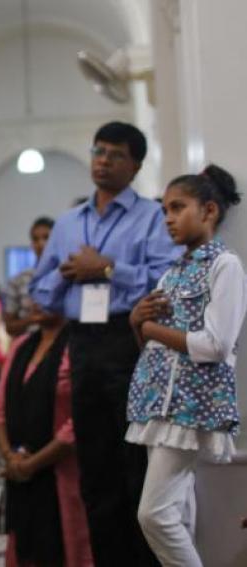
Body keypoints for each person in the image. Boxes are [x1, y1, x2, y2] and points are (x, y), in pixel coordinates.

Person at [30, 121, 179, 566]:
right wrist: (65, 273)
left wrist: (109, 268)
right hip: (83, 344)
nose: (103, 160)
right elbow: (40, 292)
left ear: (134, 165)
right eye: (98, 151)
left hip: (130, 342)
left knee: (134, 464)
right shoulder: (69, 222)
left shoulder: (152, 216)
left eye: (115, 154)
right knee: (94, 467)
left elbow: (165, 285)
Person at [128, 165, 245, 566]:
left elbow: (216, 344)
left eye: (178, 208)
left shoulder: (225, 265)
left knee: (154, 514)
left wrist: (150, 328)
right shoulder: (173, 272)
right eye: (164, 210)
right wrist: (136, 323)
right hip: (159, 401)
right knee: (178, 512)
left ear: (209, 210)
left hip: (191, 403)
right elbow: (149, 339)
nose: (168, 219)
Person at [0, 308, 93, 567]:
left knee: (70, 547)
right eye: (36, 291)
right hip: (20, 468)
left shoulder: (79, 343)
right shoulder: (21, 345)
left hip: (64, 472)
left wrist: (31, 464)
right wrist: (10, 457)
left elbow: (79, 420)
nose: (39, 300)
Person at [4, 217, 54, 337]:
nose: (41, 243)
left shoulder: (67, 275)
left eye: (46, 238)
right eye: (35, 239)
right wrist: (31, 319)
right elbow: (9, 327)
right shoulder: (18, 280)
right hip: (27, 345)